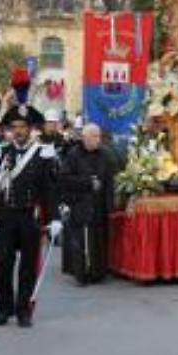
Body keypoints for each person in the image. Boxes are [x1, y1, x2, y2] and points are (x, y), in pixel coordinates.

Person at [0, 105, 61, 328]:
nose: (18, 131)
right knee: (2, 264)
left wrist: (54, 218)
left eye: (22, 127)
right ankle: (5, 307)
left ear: (30, 129)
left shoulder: (42, 153)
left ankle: (23, 310)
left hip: (30, 216)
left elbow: (49, 189)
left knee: (28, 266)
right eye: (14, 127)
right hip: (6, 216)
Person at [58, 123, 119, 286]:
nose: (98, 140)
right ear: (85, 138)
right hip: (79, 203)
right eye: (95, 136)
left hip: (98, 205)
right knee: (80, 240)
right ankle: (81, 273)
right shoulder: (73, 155)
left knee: (98, 239)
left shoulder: (105, 154)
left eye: (99, 136)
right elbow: (64, 179)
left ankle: (97, 272)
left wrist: (110, 205)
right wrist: (87, 182)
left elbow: (110, 180)